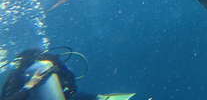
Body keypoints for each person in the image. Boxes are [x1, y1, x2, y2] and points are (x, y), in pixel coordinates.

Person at [0, 48, 135, 100]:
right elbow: (72, 90)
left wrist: (28, 86)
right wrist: (29, 85)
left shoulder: (15, 79)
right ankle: (102, 99)